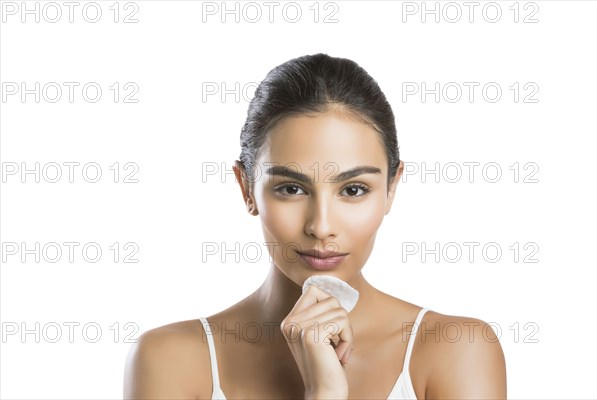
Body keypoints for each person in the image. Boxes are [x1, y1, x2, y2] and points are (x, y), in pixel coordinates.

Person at [123, 53, 507, 399]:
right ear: (247, 189)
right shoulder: (169, 359)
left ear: (391, 188)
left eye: (354, 189)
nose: (321, 227)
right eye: (291, 188)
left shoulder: (455, 349)